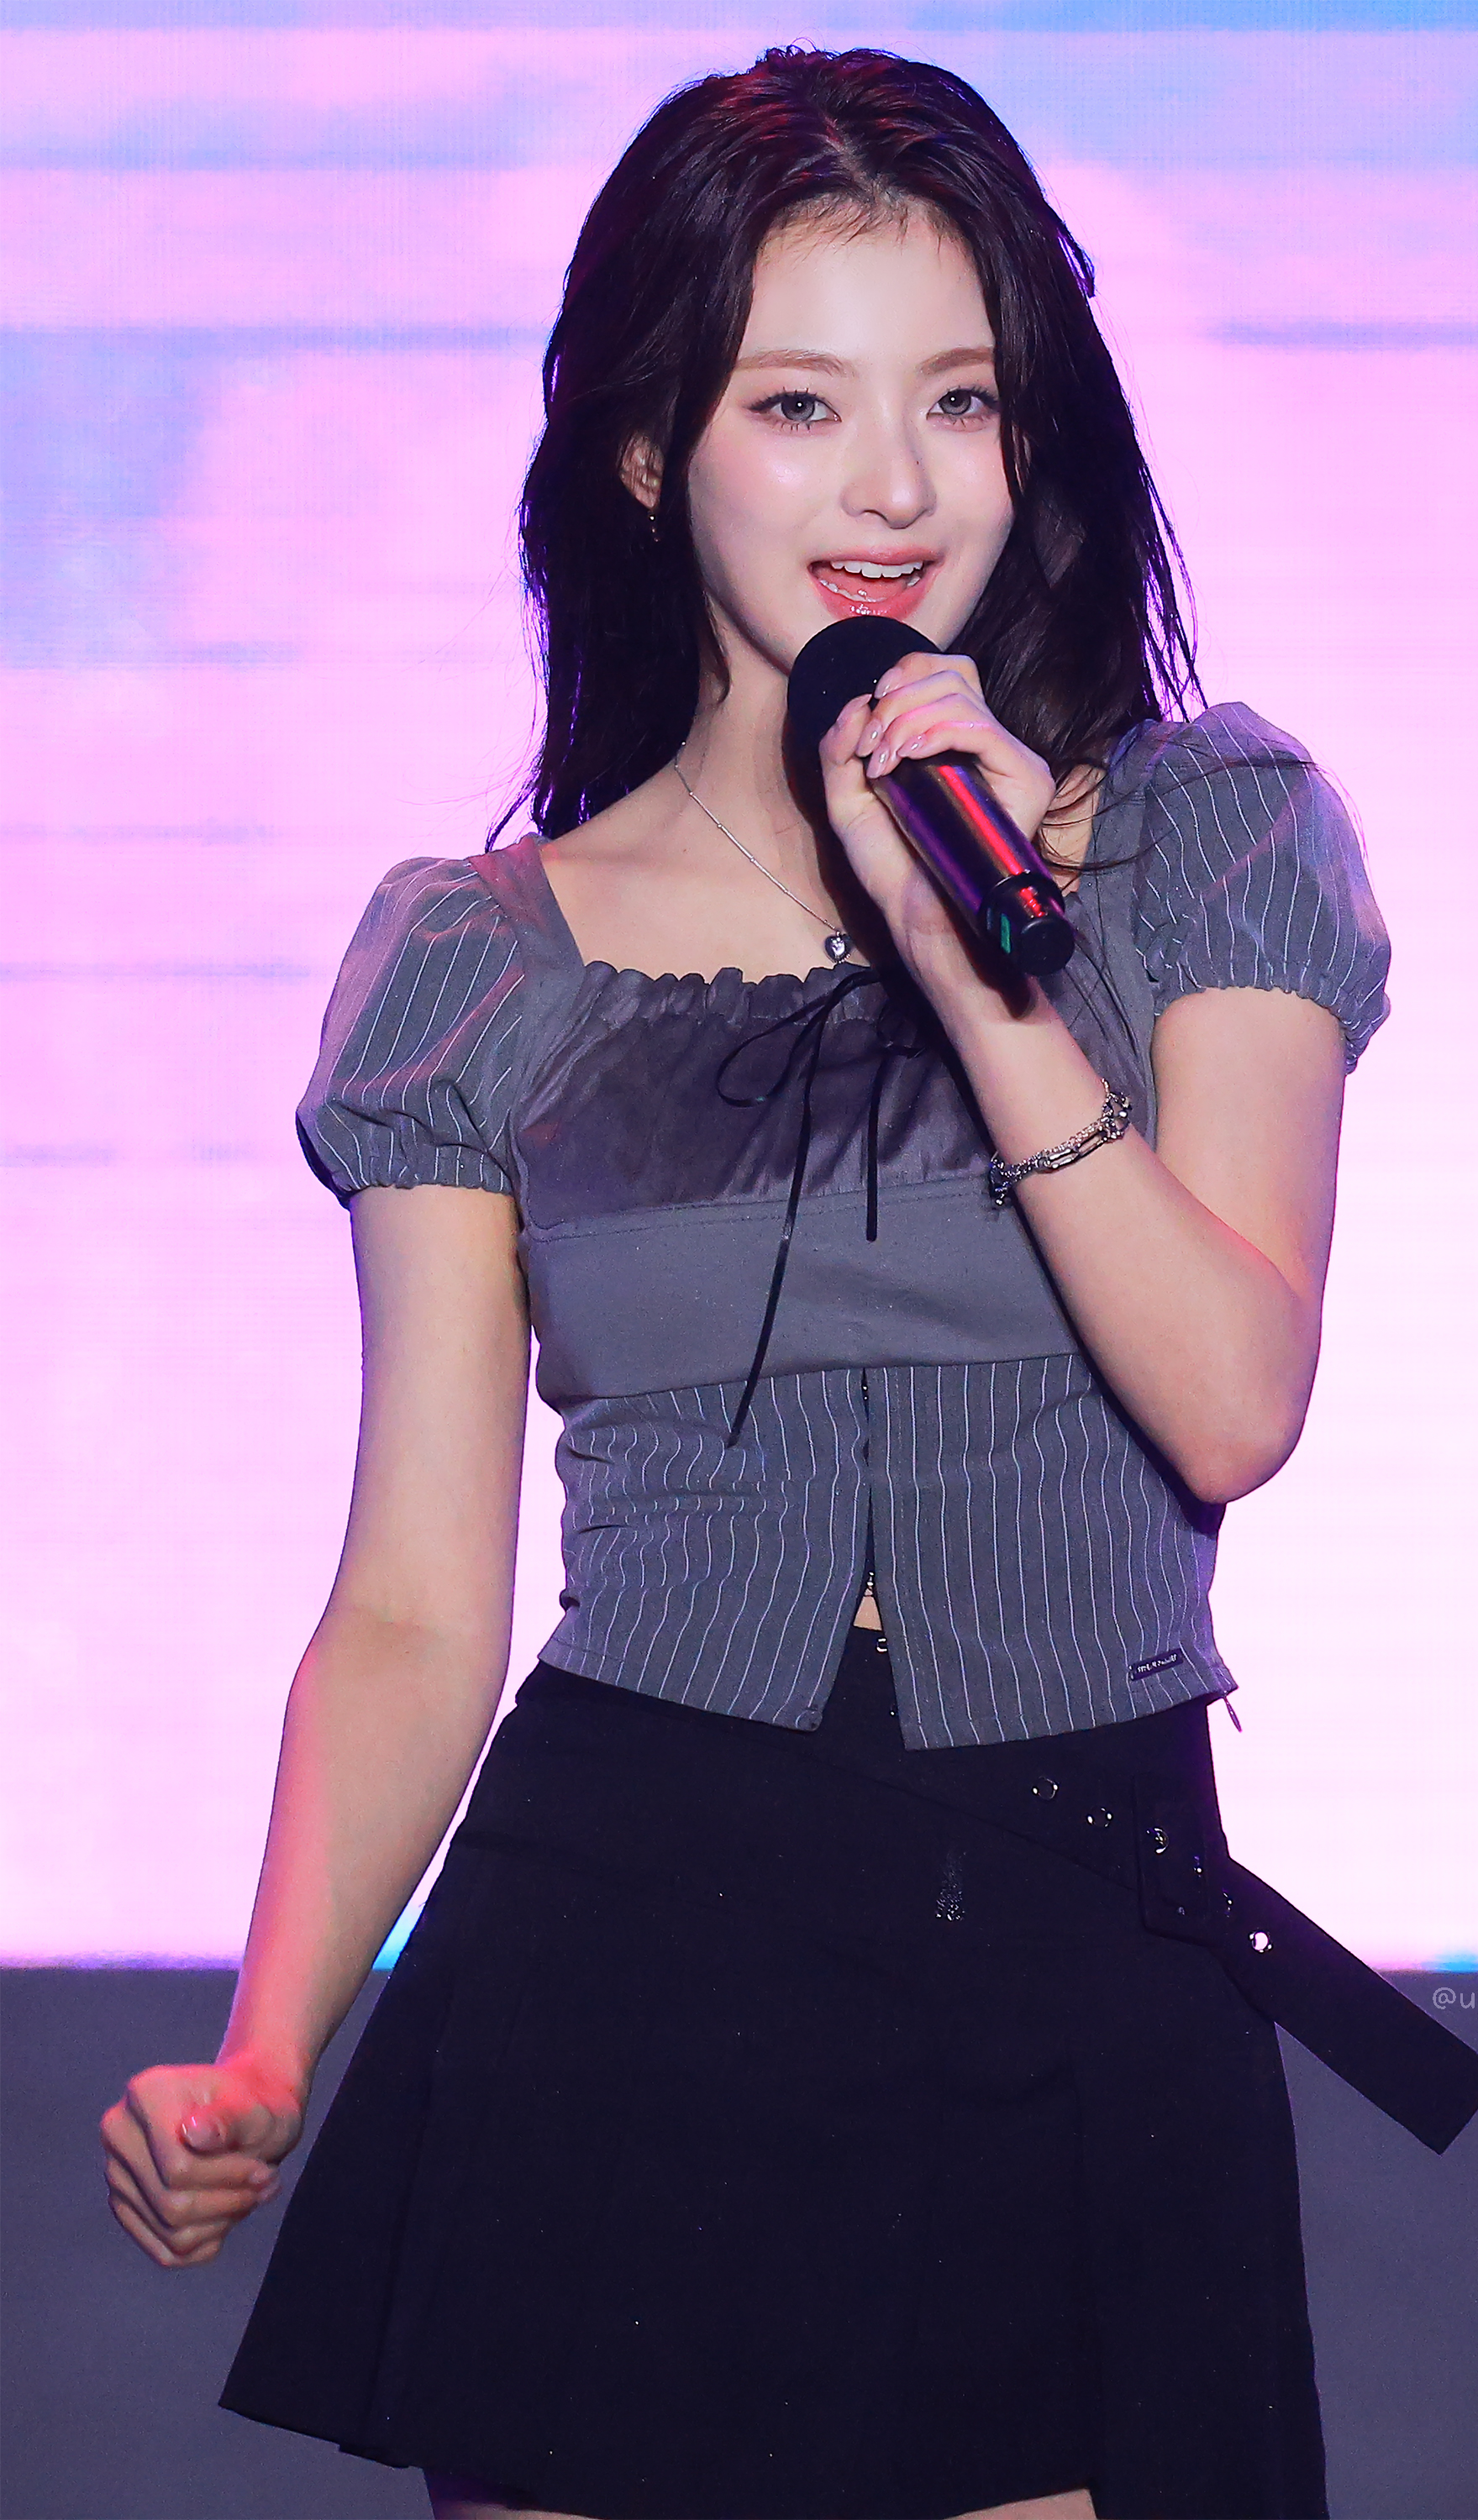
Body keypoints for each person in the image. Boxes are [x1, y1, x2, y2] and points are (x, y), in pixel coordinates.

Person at [99, 45, 1406, 2520]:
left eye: (959, 402)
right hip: (621, 1955)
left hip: (1075, 1947)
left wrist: (978, 958)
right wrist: (267, 2050)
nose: (893, 486)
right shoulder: (479, 959)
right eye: (799, 405)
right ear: (644, 448)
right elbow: (415, 1605)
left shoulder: (1208, 841)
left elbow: (1235, 1397)